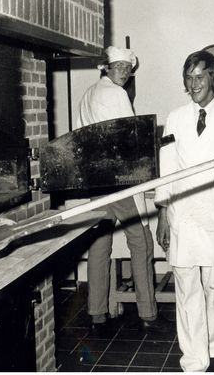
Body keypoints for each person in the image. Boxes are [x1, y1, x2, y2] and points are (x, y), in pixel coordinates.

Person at [75, 46, 169, 335]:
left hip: (96, 182)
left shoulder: (87, 94)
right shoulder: (116, 94)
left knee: (99, 246)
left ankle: (97, 314)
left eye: (127, 69)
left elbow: (79, 138)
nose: (124, 73)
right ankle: (148, 314)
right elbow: (132, 137)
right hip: (120, 182)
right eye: (118, 67)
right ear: (106, 67)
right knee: (141, 243)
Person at [154, 51, 214, 372]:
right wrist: (163, 212)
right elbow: (167, 167)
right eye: (189, 77)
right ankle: (193, 360)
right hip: (183, 215)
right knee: (187, 289)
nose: (194, 83)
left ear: (213, 78)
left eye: (200, 76)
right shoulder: (175, 117)